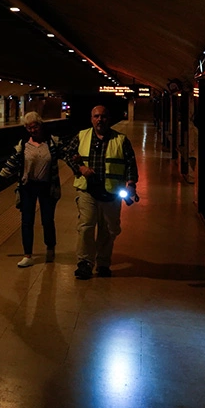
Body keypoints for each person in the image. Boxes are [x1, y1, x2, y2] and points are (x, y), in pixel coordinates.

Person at [60, 105, 139, 280]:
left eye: (103, 116)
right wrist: (80, 168)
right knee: (86, 226)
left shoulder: (121, 139)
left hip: (112, 191)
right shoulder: (82, 136)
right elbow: (67, 153)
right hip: (87, 189)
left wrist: (131, 183)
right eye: (96, 116)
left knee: (109, 229)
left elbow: (130, 163)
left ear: (108, 119)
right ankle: (84, 263)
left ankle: (103, 263)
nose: (99, 120)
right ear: (91, 119)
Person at [0, 112, 65, 268]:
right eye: (29, 128)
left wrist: (80, 167)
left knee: (47, 220)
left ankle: (50, 247)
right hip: (28, 187)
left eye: (35, 126)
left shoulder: (53, 143)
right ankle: (27, 255)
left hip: (47, 187)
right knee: (26, 222)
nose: (32, 130)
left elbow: (69, 156)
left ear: (40, 125)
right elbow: (12, 164)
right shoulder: (23, 145)